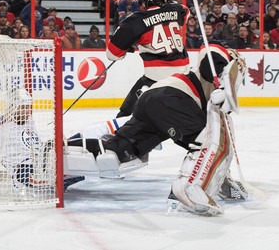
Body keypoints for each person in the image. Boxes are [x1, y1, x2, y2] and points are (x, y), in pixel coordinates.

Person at [66, 44, 247, 215]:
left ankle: (60, 154)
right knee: (205, 139)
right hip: (171, 96)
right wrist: (224, 75)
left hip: (155, 100)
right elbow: (209, 58)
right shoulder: (216, 63)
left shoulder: (211, 95)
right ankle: (184, 190)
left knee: (118, 152)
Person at [0, 88, 84, 191]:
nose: (27, 111)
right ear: (13, 106)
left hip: (40, 164)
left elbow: (35, 144)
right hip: (22, 172)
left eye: (28, 106)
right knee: (55, 177)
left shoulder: (29, 120)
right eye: (23, 107)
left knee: (79, 162)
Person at [106, 0, 190, 118]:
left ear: (144, 3)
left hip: (156, 77)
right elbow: (186, 11)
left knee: (126, 115)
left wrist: (127, 48)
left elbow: (112, 54)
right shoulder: (177, 10)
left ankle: (119, 131)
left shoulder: (135, 21)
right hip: (184, 75)